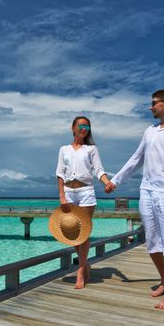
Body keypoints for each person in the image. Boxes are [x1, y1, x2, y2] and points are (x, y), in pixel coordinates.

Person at [105, 89, 164, 309]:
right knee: (152, 243)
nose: (150, 107)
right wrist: (115, 181)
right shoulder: (150, 131)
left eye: (154, 103)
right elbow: (135, 159)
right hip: (146, 192)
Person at [56, 116, 111, 289]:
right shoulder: (64, 149)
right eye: (81, 125)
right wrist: (62, 196)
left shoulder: (91, 149)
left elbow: (99, 170)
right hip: (68, 193)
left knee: (84, 233)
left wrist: (107, 182)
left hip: (86, 192)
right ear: (72, 127)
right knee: (71, 232)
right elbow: (60, 173)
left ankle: (80, 270)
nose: (84, 128)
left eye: (87, 126)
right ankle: (85, 263)